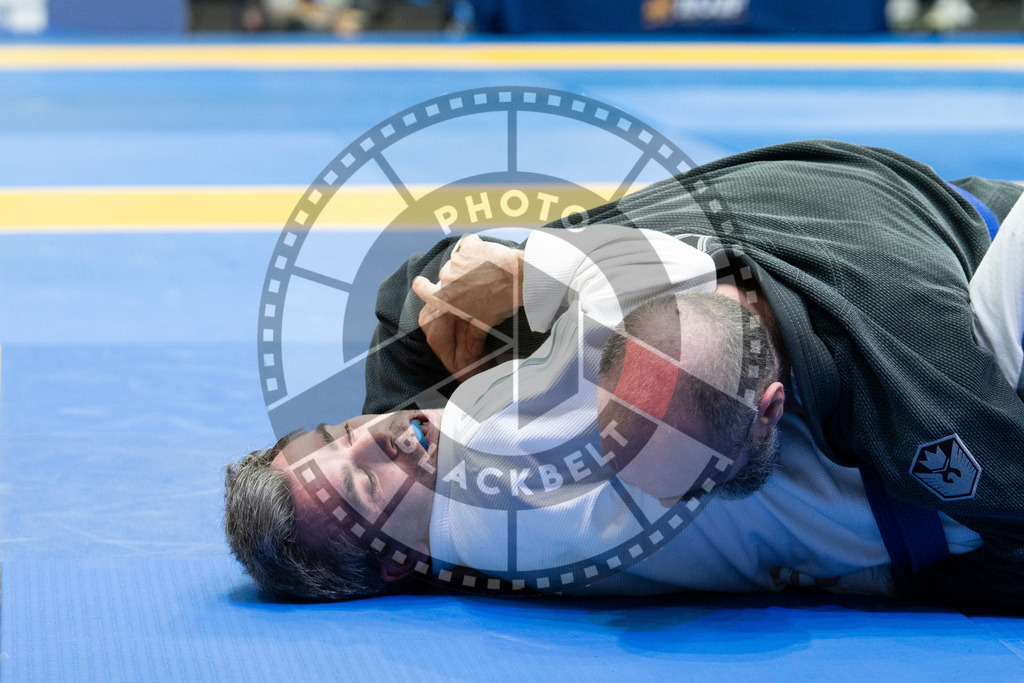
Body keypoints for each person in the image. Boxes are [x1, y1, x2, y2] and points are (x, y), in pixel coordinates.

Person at [226, 139, 1024, 611]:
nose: (373, 443)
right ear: (396, 560)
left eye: (342, 434)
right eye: (363, 486)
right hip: (958, 309)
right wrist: (525, 264)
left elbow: (415, 302)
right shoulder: (508, 493)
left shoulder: (451, 479)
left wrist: (476, 274)